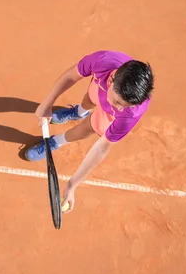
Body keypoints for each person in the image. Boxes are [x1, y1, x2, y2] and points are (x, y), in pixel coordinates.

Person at [24, 50, 154, 213]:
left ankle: (56, 142)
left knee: (90, 126)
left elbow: (101, 148)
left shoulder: (128, 114)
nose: (120, 108)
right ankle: (78, 112)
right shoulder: (103, 61)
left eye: (126, 105)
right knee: (90, 98)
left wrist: (72, 185)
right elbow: (70, 76)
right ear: (112, 79)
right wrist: (46, 104)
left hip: (110, 114)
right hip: (101, 87)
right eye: (118, 102)